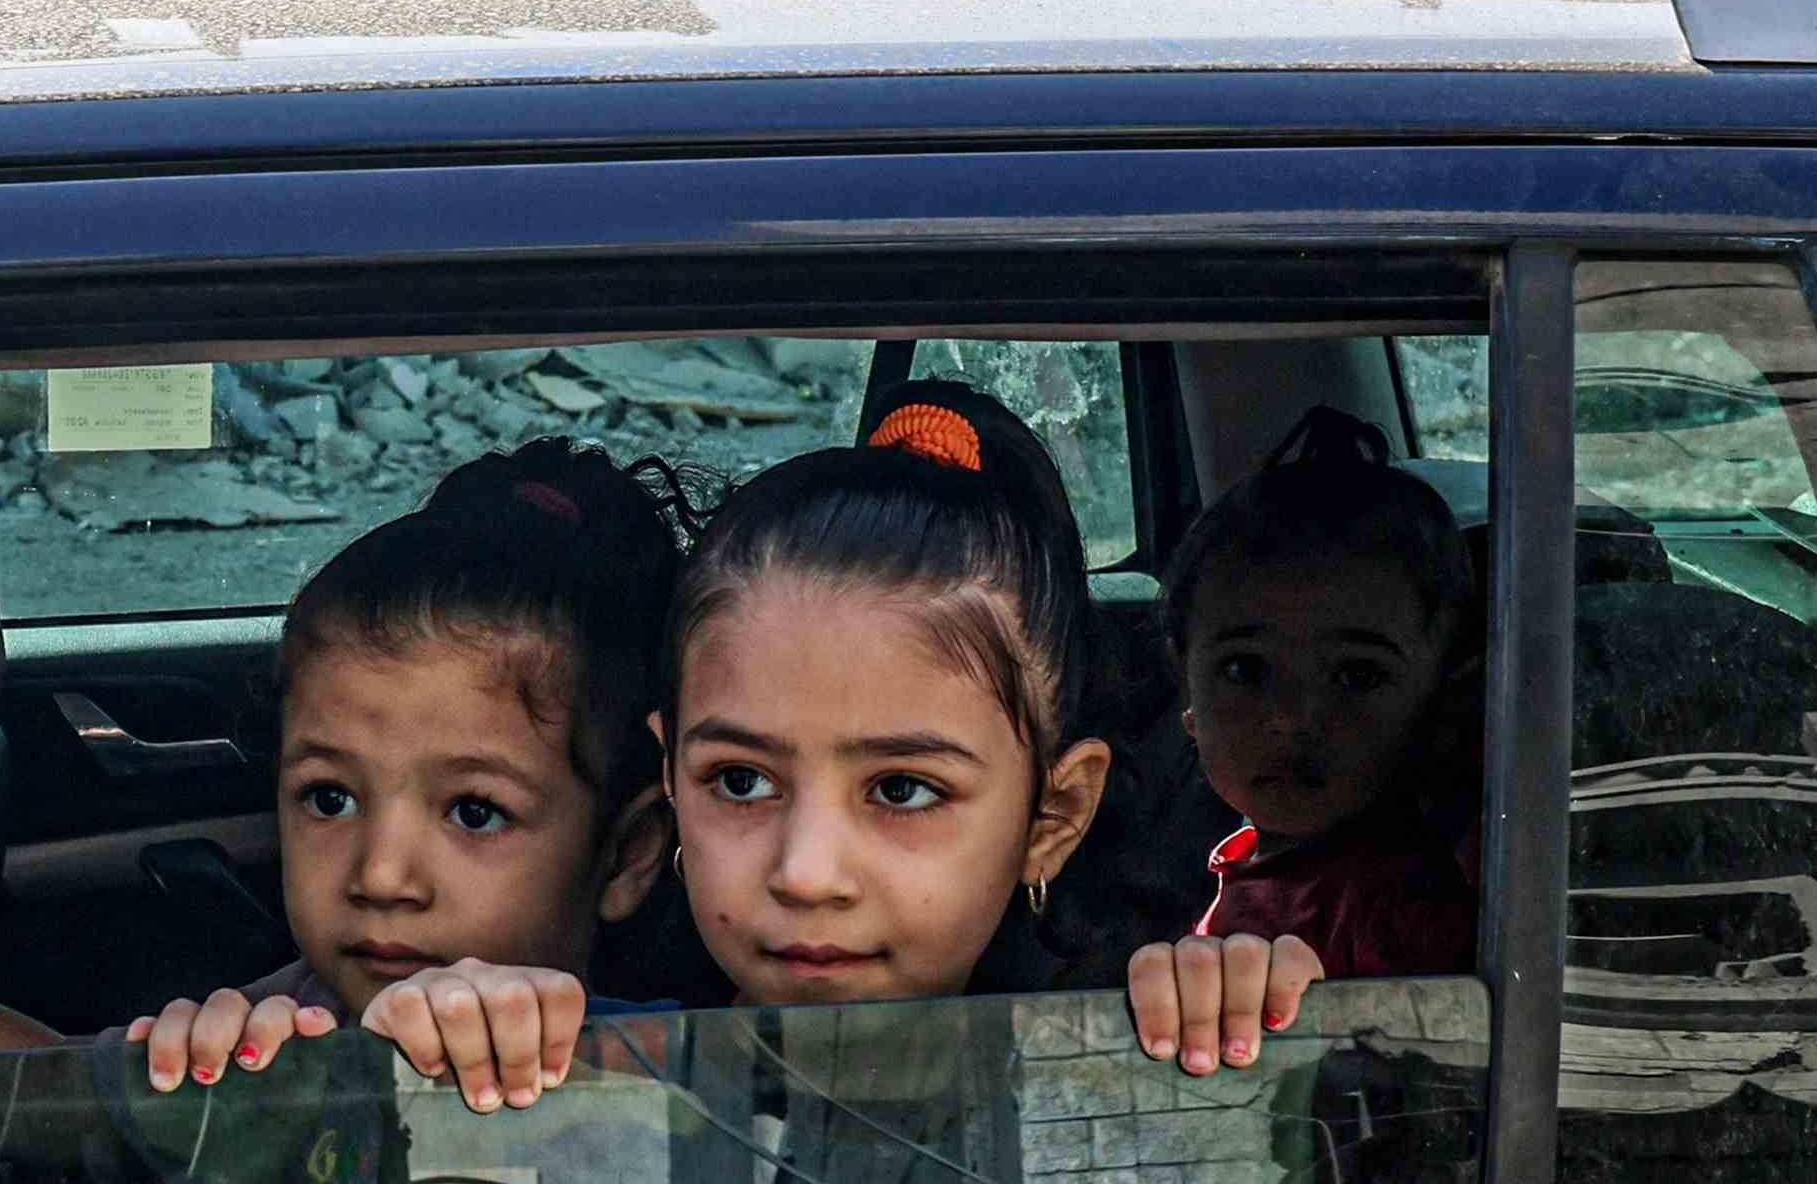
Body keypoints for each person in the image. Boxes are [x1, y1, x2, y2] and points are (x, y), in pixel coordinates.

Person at [336, 390, 1319, 1102]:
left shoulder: (1120, 1066)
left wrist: (1232, 1015)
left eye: (901, 789)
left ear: (1051, 816)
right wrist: (449, 1042)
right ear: (669, 776)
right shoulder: (582, 1070)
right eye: (740, 779)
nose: (806, 871)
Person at [0, 438, 691, 1090]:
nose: (381, 874)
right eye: (328, 796)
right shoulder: (289, 1027)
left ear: (629, 851)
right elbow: (52, 1097)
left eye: (473, 811)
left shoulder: (674, 1086)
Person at [1173, 409, 1481, 986]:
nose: (1290, 718)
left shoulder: (1400, 911)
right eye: (1244, 670)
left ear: (1446, 694)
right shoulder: (1259, 858)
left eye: (1356, 676)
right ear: (1186, 687)